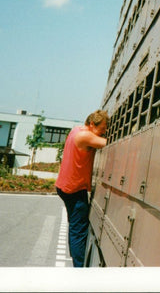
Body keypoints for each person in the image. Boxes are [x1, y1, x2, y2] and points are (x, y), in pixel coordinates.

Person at [55, 109, 108, 267]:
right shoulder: (85, 136)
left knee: (74, 228)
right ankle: (79, 269)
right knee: (79, 230)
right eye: (103, 128)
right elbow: (108, 143)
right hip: (74, 190)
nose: (104, 132)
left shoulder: (76, 130)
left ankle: (76, 261)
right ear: (92, 124)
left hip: (65, 186)